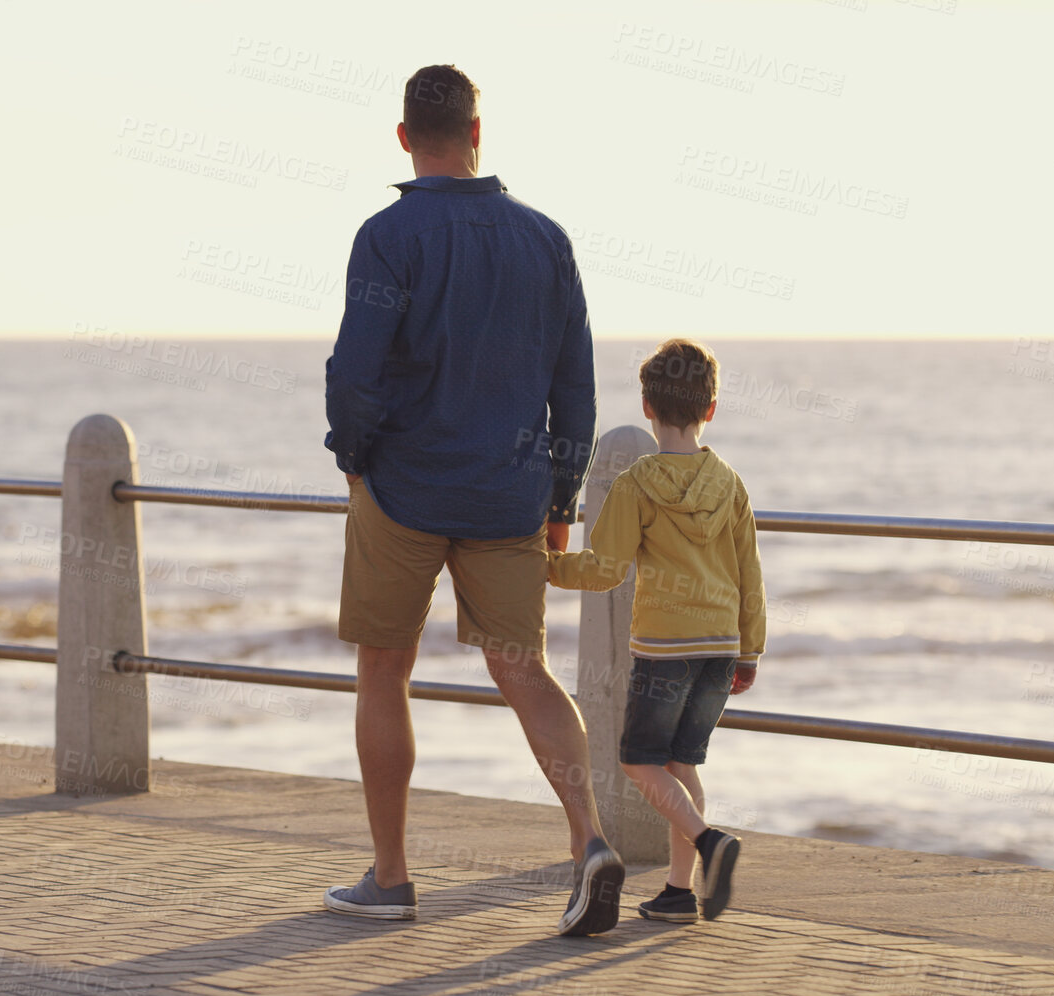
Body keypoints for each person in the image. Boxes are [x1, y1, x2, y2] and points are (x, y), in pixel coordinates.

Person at [320, 64, 622, 936]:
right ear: (478, 133)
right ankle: (589, 842)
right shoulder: (545, 239)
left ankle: (391, 878)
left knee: (385, 668)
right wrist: (560, 493)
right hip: (509, 494)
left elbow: (354, 372)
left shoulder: (386, 234)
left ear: (405, 137)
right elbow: (577, 385)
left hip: (404, 489)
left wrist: (353, 459)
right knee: (523, 669)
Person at [546, 338, 765, 923]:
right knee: (681, 766)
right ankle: (677, 892)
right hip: (720, 648)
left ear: (647, 406)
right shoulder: (731, 484)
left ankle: (710, 841)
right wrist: (751, 650)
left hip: (666, 648)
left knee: (640, 762)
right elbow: (750, 575)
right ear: (710, 409)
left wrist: (545, 565)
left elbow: (604, 569)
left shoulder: (637, 483)